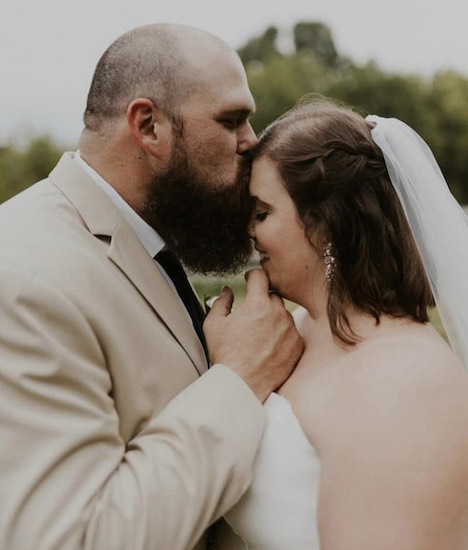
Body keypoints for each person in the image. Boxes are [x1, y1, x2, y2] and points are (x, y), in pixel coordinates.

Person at [0, 24, 303, 550]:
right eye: (231, 121)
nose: (252, 143)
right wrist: (239, 378)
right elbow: (75, 538)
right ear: (149, 126)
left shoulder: (143, 238)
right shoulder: (24, 277)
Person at [215, 100, 468, 549]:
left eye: (262, 214)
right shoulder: (296, 328)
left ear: (324, 225)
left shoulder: (405, 380)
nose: (250, 234)